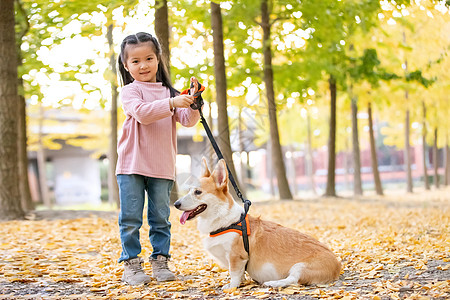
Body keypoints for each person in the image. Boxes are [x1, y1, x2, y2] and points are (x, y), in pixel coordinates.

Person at [115, 32, 201, 285]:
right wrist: (173, 102)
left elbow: (187, 120)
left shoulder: (169, 92)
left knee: (160, 218)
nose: (143, 66)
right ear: (125, 64)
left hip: (162, 166)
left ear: (158, 59)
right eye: (135, 61)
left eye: (149, 58)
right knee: (130, 218)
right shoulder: (130, 92)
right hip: (131, 164)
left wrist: (195, 102)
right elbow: (142, 114)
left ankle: (161, 260)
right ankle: (131, 264)